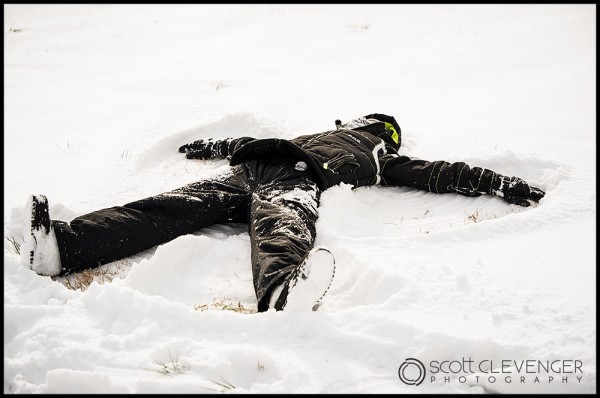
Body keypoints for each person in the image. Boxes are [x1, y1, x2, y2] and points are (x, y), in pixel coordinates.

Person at [20, 113, 545, 312]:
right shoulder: (356, 147)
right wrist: (210, 144)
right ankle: (61, 247)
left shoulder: (373, 152)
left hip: (267, 167)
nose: (371, 134)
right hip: (271, 168)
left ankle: (67, 248)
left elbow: (441, 172)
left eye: (375, 130)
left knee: (179, 212)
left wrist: (500, 181)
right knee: (271, 219)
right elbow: (441, 172)